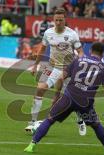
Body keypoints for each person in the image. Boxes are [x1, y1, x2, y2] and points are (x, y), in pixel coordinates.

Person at [24, 42, 104, 155]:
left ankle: (32, 145)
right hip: (85, 102)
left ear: (90, 51)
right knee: (96, 125)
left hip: (68, 98)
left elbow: (60, 78)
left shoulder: (78, 60)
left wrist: (56, 95)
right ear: (103, 53)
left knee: (49, 120)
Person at [25, 8, 87, 136]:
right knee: (39, 89)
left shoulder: (72, 34)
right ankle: (32, 122)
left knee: (73, 99)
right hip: (51, 67)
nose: (58, 22)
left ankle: (80, 120)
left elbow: (80, 51)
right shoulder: (48, 33)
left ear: (65, 20)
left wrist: (80, 60)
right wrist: (35, 65)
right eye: (56, 20)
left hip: (67, 70)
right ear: (53, 20)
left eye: (61, 20)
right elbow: (42, 50)